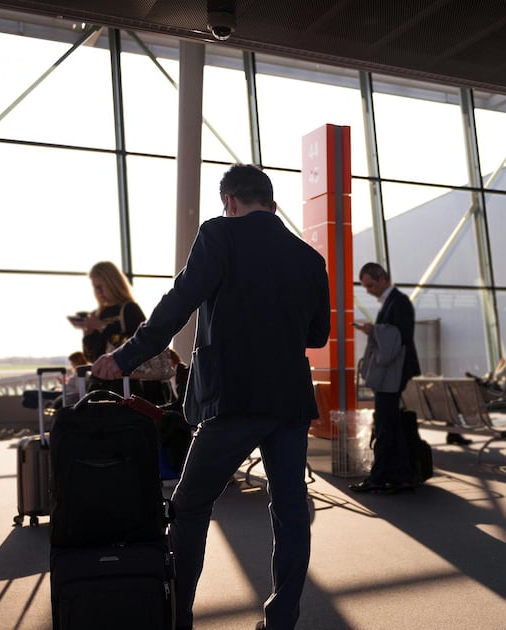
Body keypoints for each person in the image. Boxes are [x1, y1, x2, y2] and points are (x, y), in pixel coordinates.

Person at [91, 164, 331, 630]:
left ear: (230, 202)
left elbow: (177, 305)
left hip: (233, 398)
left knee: (190, 505)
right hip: (290, 400)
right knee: (290, 510)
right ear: (273, 205)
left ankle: (177, 616)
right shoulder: (309, 257)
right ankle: (281, 621)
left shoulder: (219, 234)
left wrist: (125, 356)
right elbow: (318, 335)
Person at [350, 262, 425, 493]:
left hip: (393, 373)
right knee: (391, 425)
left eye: (371, 285)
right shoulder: (394, 302)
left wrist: (373, 330)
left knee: (385, 424)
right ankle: (402, 476)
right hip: (394, 372)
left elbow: (396, 340)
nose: (369, 290)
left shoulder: (398, 302)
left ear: (383, 278)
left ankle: (379, 478)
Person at [70, 261, 153, 398]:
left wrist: (102, 327)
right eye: (95, 287)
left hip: (126, 383)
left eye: (101, 286)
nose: (98, 292)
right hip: (100, 383)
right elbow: (92, 358)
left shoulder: (129, 309)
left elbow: (138, 343)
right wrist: (88, 335)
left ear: (112, 283)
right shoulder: (98, 314)